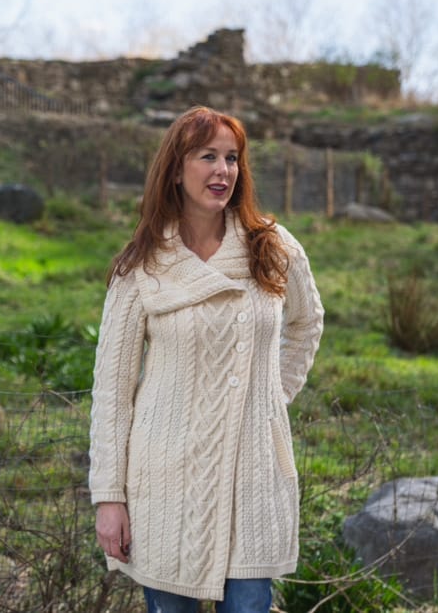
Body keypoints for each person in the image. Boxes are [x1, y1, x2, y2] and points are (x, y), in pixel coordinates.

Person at [88, 105, 324, 612]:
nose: (223, 171)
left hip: (252, 476)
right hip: (166, 483)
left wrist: (271, 397)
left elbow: (306, 324)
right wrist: (109, 497)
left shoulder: (272, 246)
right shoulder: (143, 266)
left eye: (232, 158)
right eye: (207, 157)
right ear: (176, 169)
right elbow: (112, 391)